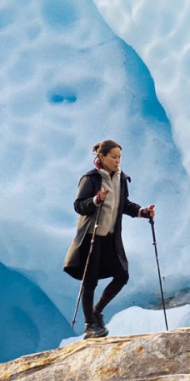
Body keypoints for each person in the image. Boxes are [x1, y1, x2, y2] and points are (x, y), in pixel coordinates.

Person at [63, 139, 156, 339]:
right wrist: (96, 200)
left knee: (122, 275)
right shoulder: (90, 179)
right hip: (91, 237)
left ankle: (97, 311)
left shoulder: (121, 179)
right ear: (102, 157)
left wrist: (142, 212)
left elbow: (124, 204)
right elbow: (79, 206)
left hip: (110, 239)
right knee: (90, 281)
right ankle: (90, 325)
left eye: (119, 157)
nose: (117, 160)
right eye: (113, 157)